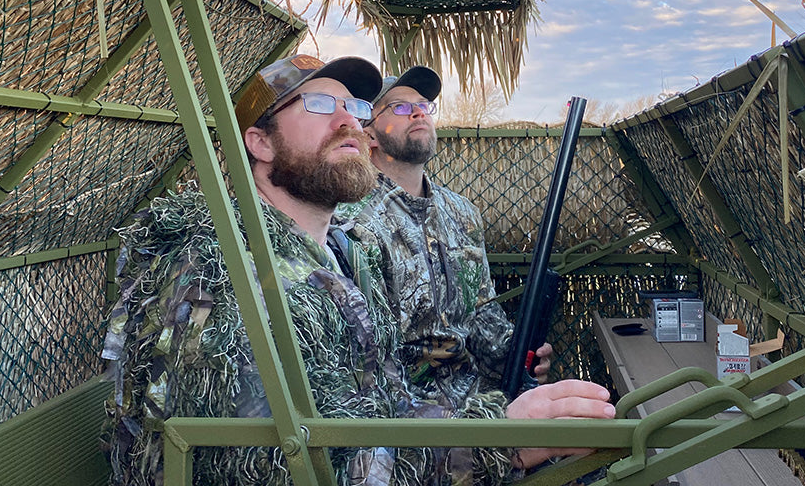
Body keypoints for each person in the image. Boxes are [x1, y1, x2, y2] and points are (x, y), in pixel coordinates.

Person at [102, 54, 614, 486]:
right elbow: (308, 469)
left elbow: (385, 406)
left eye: (354, 106)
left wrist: (501, 423)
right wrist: (501, 440)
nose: (348, 120)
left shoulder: (339, 255)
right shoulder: (223, 278)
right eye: (320, 104)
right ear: (259, 143)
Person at [337, 66, 552, 411]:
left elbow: (483, 313)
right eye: (400, 107)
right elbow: (365, 358)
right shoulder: (349, 222)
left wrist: (518, 354)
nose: (420, 111)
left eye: (424, 104)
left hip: (481, 401)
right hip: (404, 420)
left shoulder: (461, 212)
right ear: (369, 134)